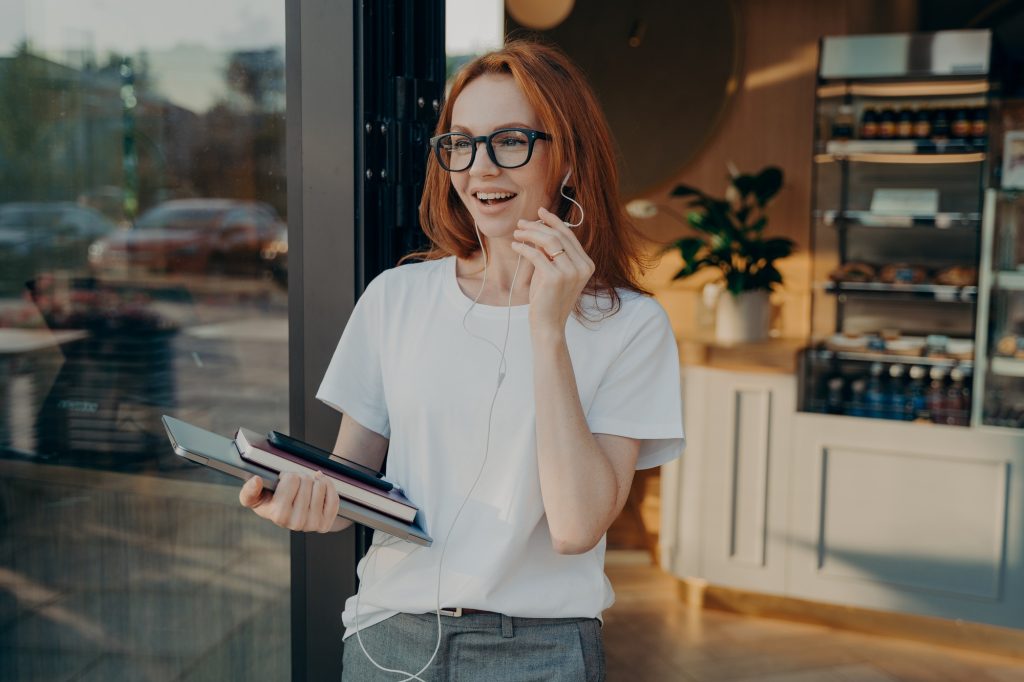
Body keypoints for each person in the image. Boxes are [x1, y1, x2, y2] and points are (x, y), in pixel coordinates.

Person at [239, 39, 684, 681]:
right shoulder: (398, 296)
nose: (480, 169)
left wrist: (548, 331)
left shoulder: (631, 326)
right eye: (461, 143)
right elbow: (355, 479)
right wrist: (304, 500)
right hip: (387, 638)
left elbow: (577, 525)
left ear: (569, 160)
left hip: (539, 650)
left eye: (509, 141)